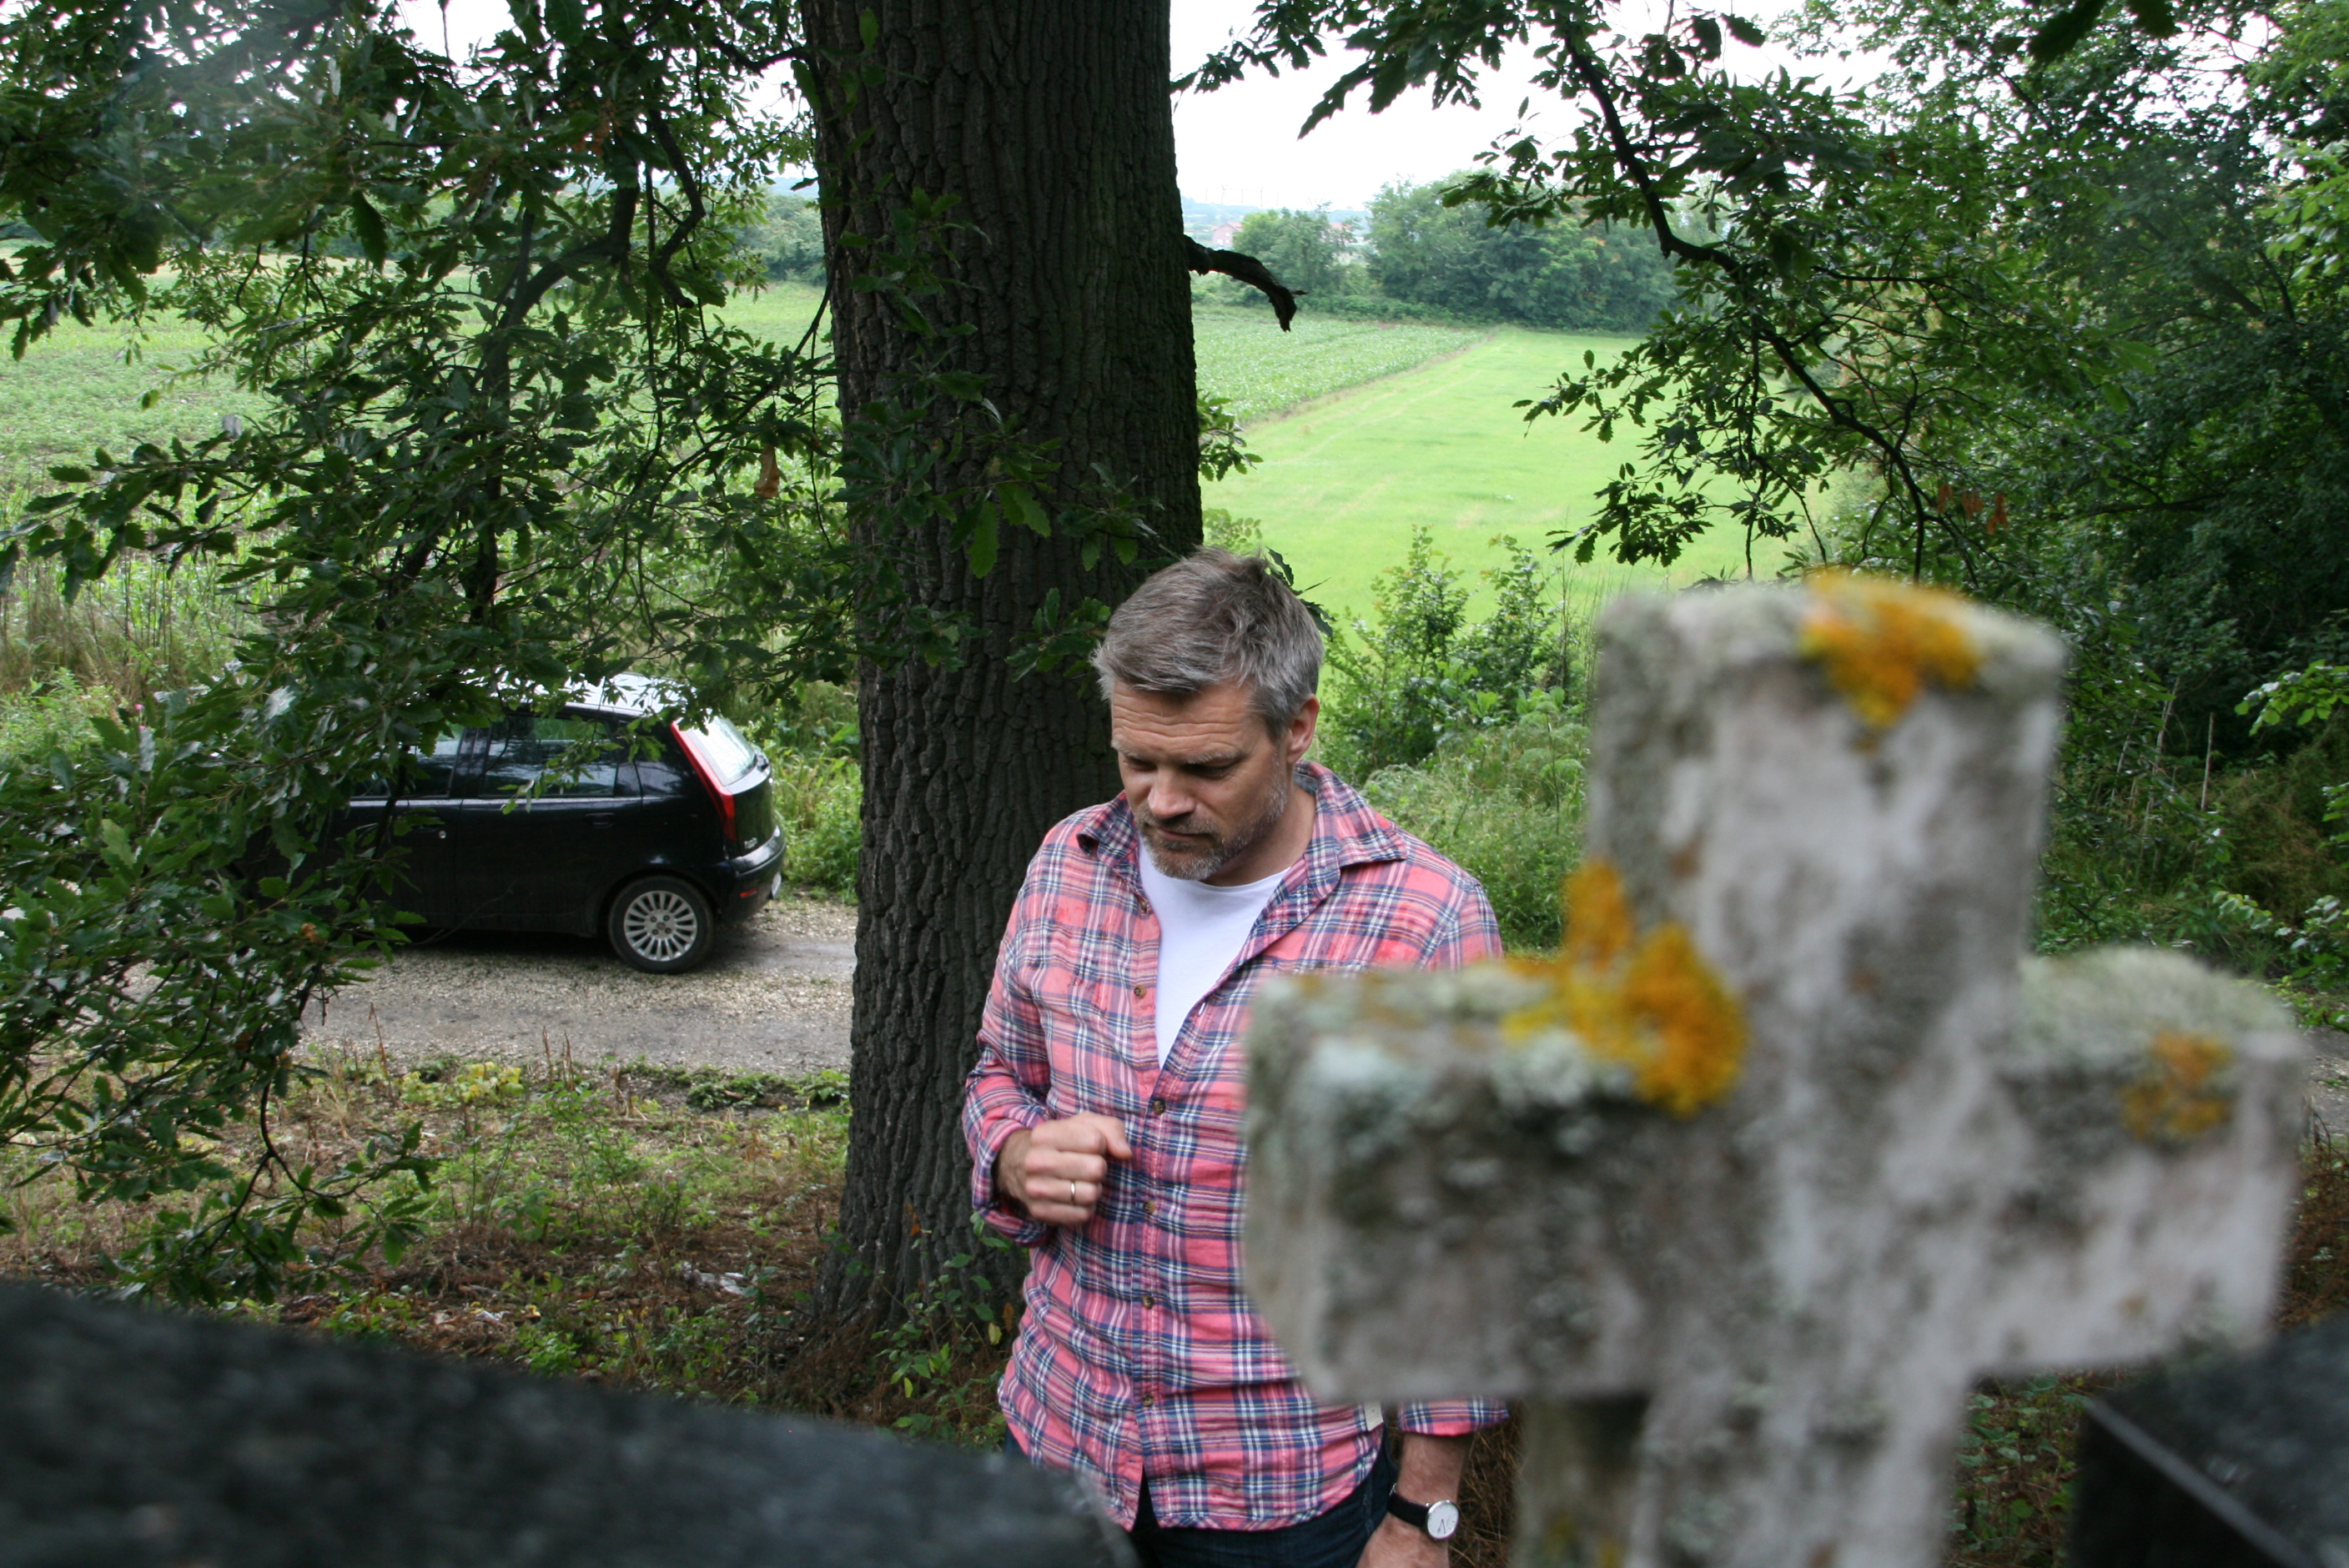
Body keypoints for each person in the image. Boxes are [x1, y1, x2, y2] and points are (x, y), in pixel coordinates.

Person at [962, 550, 1507, 1568]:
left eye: (1206, 768)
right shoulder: (1068, 863)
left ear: (1295, 729)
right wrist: (1013, 1154)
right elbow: (1000, 1071)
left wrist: (1422, 1511)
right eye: (1136, 760)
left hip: (1277, 1496)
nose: (1161, 799)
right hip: (1055, 1444)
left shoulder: (1422, 921)